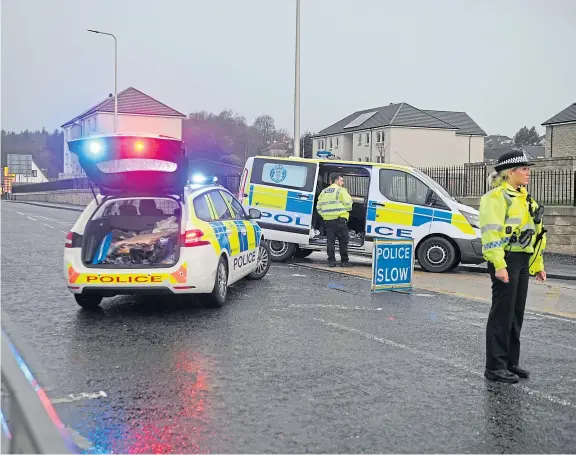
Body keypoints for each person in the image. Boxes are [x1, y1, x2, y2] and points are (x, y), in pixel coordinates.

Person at [479, 150, 547, 384]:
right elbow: (491, 234)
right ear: (510, 173)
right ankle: (495, 367)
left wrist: (537, 264)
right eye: (524, 169)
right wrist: (499, 264)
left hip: (521, 260)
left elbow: (537, 233)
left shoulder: (526, 198)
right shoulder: (495, 198)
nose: (528, 173)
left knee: (515, 313)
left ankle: (510, 363)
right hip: (504, 259)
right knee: (502, 314)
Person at [317, 174, 353, 267]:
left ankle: (331, 262)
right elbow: (349, 205)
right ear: (336, 181)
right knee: (343, 241)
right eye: (341, 180)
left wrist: (325, 215)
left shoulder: (324, 191)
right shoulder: (341, 190)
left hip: (328, 221)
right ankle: (344, 262)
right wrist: (343, 211)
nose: (343, 182)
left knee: (330, 242)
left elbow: (319, 207)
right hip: (340, 220)